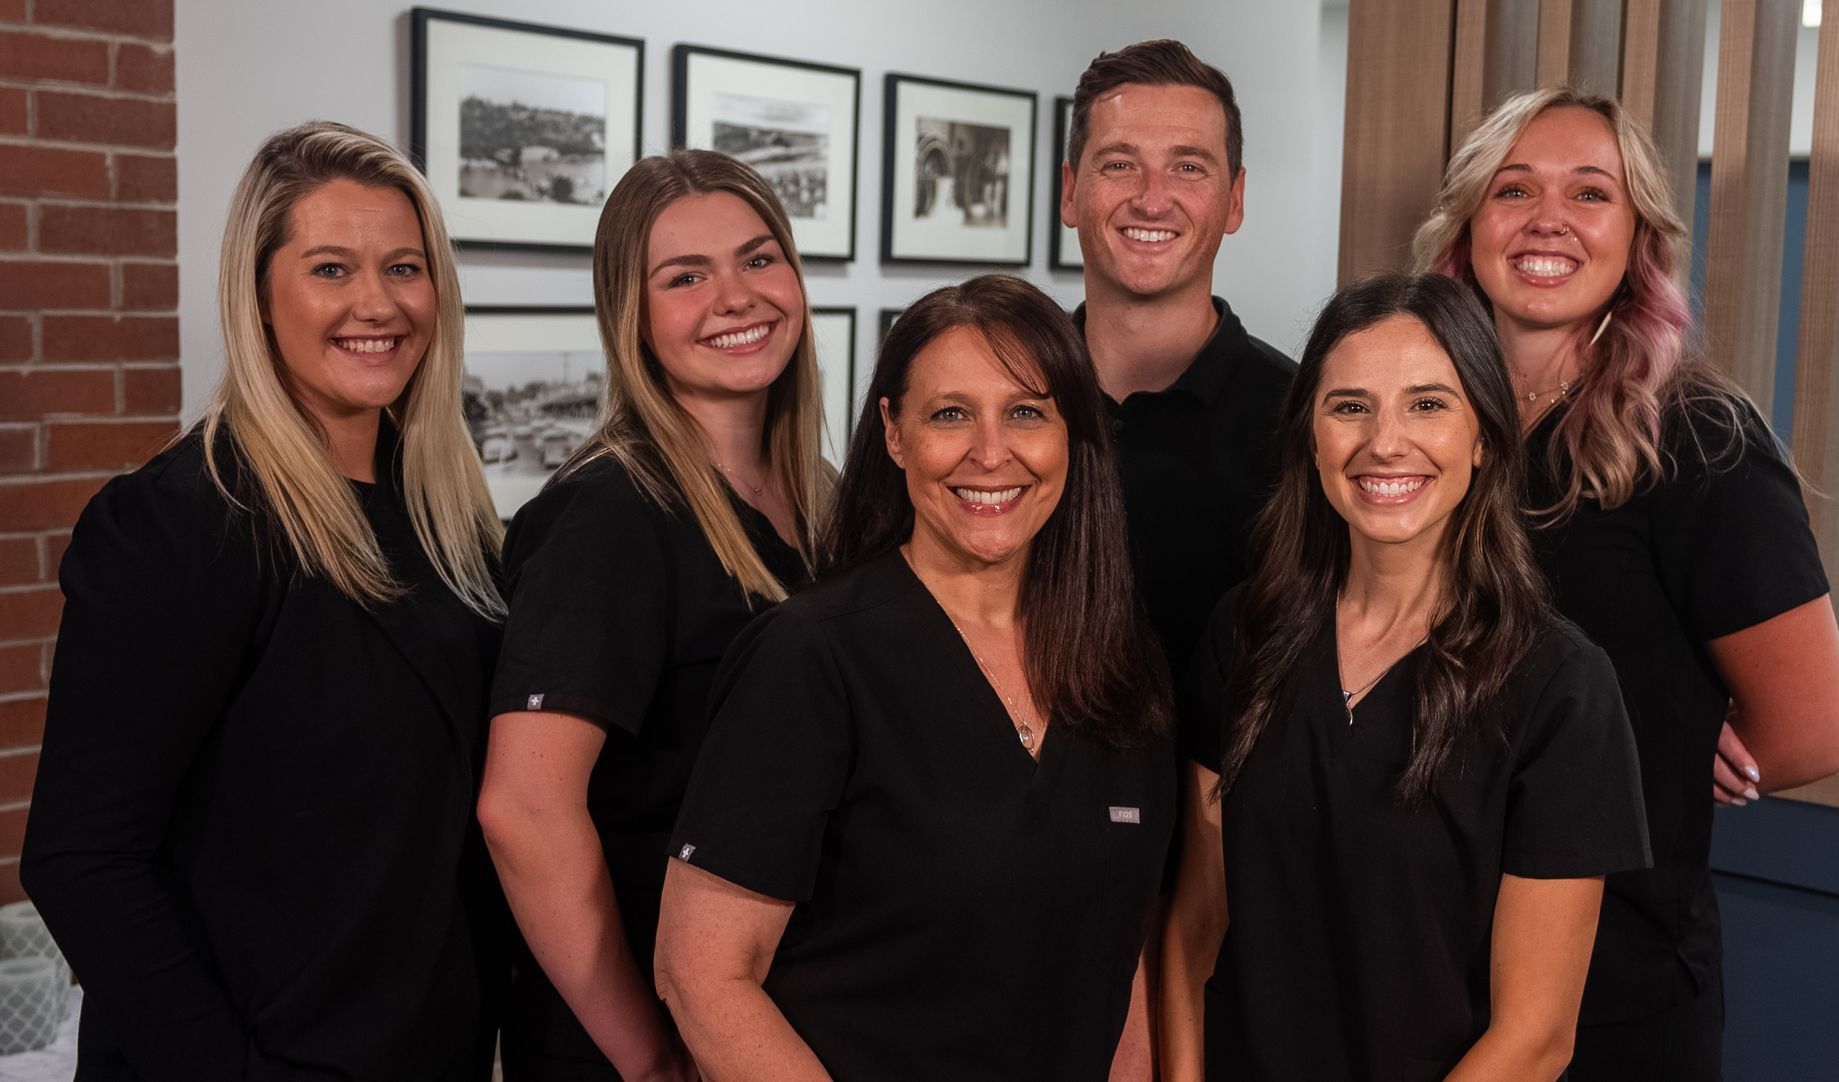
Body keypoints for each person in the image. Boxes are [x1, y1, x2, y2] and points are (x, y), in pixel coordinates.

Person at [20, 121, 506, 1080]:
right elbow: (81, 861)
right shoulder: (181, 523)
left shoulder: (449, 517)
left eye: (405, 268)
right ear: (259, 295)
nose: (378, 303)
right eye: (330, 269)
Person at [1412, 88, 1839, 1076]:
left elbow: (1814, 728)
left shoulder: (1699, 442)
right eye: (1513, 188)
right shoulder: (1425, 429)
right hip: (1426, 961)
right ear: (1469, 225)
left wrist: (1661, 748)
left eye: (1590, 193)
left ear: (1638, 238)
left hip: (1613, 989)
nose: (1547, 219)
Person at [654, 274, 1174, 1081]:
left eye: (1027, 412)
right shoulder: (810, 659)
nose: (991, 452)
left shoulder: (1123, 662)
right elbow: (701, 975)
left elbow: (1121, 960)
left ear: (1074, 434)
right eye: (950, 413)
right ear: (895, 434)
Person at [1160, 272, 1651, 1082]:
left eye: (1429, 404)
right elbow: (1193, 929)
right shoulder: (1244, 632)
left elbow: (1535, 1039)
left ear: (1485, 436)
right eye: (1349, 405)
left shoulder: (1560, 690)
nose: (1385, 441)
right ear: (1309, 435)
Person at [475, 148, 834, 1082]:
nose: (736, 296)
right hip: (649, 1031)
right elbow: (523, 811)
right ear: (627, 315)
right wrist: (649, 1057)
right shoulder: (606, 517)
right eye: (685, 276)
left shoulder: (827, 500)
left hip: (771, 1019)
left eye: (759, 259)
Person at [1060, 38, 1297, 667]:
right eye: (1118, 164)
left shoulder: (1302, 421)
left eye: (1188, 166)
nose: (1152, 198)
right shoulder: (1002, 394)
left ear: (1235, 200)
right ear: (1069, 193)